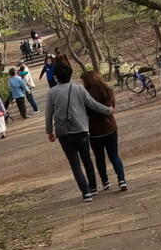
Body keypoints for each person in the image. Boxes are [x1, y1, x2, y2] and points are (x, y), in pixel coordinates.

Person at [45, 63, 113, 203]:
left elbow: (48, 113)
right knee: (86, 159)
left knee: (74, 163)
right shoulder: (78, 88)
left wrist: (49, 131)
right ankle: (93, 187)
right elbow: (92, 103)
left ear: (55, 77)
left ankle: (86, 192)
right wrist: (107, 110)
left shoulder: (52, 92)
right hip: (81, 129)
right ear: (70, 75)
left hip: (63, 132)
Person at [80, 71, 127, 192]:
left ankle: (105, 181)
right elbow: (112, 106)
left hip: (94, 130)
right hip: (110, 127)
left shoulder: (86, 95)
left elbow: (84, 111)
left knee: (99, 158)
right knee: (114, 155)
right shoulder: (107, 90)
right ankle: (121, 179)